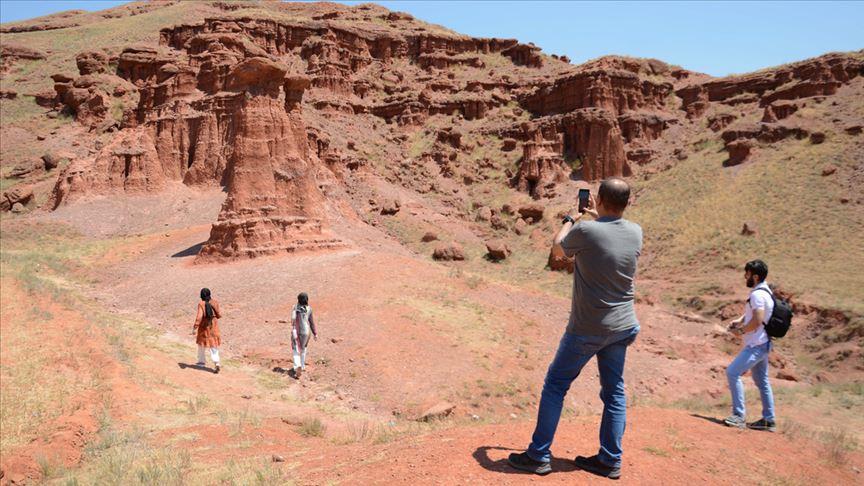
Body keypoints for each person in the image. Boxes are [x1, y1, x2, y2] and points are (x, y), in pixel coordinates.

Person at [508, 178, 642, 480]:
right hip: (623, 325)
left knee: (556, 384)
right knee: (614, 392)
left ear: (598, 198)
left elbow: (558, 248)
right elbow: (609, 233)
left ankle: (538, 455)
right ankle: (609, 460)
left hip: (587, 327)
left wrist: (571, 217)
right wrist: (599, 215)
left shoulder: (585, 230)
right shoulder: (636, 232)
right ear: (627, 203)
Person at [724, 259, 776, 432]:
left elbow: (758, 319)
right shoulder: (766, 291)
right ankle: (769, 419)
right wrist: (740, 320)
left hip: (756, 344)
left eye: (747, 274)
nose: (744, 277)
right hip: (764, 343)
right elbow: (757, 313)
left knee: (732, 372)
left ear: (755, 276)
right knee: (762, 381)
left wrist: (741, 331)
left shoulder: (757, 294)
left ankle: (738, 416)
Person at [193, 288, 222, 374]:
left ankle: (201, 362)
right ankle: (217, 363)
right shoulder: (215, 302)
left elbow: (199, 317)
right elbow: (218, 314)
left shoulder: (201, 304)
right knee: (214, 346)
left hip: (204, 328)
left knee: (201, 345)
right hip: (214, 326)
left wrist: (195, 327)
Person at [291, 292, 318, 378]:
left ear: (298, 299)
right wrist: (315, 333)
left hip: (297, 331)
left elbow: (292, 319)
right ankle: (302, 365)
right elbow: (312, 322)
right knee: (304, 348)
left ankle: (297, 366)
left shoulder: (295, 308)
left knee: (295, 349)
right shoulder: (309, 309)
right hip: (307, 332)